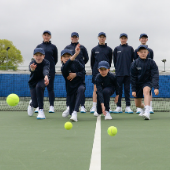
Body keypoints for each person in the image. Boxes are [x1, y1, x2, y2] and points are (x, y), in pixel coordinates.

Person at [62, 32, 89, 115]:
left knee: (81, 89)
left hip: (79, 71)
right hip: (69, 71)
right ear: (71, 38)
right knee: (70, 89)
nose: (74, 38)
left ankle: (82, 106)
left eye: (76, 37)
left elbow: (86, 58)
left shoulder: (82, 47)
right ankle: (69, 107)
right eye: (73, 37)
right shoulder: (67, 47)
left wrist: (80, 66)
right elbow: (66, 61)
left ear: (78, 38)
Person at [131, 45, 159, 120]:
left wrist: (156, 87)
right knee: (138, 104)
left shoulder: (152, 63)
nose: (143, 53)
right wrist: (133, 90)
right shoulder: (134, 63)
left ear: (147, 53)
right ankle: (143, 108)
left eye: (144, 52)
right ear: (138, 53)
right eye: (141, 52)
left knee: (146, 91)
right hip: (137, 84)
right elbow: (133, 77)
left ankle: (147, 112)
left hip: (147, 82)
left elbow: (155, 75)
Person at [61, 44, 85, 122]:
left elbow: (83, 72)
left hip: (79, 85)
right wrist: (75, 54)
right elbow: (67, 64)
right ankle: (70, 110)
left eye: (68, 56)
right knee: (70, 110)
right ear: (61, 59)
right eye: (64, 57)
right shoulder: (63, 68)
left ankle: (75, 113)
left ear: (71, 57)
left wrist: (76, 74)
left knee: (81, 89)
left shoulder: (77, 63)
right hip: (70, 90)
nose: (66, 58)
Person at [35, 30, 58, 113]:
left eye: (48, 35)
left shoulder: (53, 47)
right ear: (42, 36)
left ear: (50, 37)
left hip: (51, 71)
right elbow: (36, 58)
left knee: (50, 88)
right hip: (40, 71)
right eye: (45, 35)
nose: (46, 36)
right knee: (39, 88)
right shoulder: (38, 46)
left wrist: (49, 67)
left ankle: (51, 106)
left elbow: (55, 59)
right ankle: (39, 106)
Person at [90, 32, 113, 113]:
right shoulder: (94, 49)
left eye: (103, 37)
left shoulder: (109, 50)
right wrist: (95, 72)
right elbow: (92, 63)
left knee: (106, 91)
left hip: (106, 74)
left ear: (105, 38)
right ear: (98, 38)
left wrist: (106, 71)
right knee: (96, 90)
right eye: (100, 37)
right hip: (96, 73)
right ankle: (94, 106)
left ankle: (107, 107)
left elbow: (109, 62)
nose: (102, 38)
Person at [113, 33, 134, 114]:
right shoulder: (116, 49)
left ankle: (128, 107)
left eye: (125, 38)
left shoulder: (130, 48)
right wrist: (118, 69)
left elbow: (133, 60)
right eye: (122, 38)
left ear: (127, 39)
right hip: (119, 74)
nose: (123, 39)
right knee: (118, 91)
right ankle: (118, 107)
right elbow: (115, 61)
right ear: (120, 39)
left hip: (128, 73)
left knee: (127, 90)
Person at [134, 33, 154, 114]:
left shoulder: (151, 51)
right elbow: (136, 62)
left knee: (148, 91)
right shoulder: (136, 51)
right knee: (139, 91)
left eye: (145, 38)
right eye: (142, 38)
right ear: (139, 39)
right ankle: (140, 108)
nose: (143, 39)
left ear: (147, 40)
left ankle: (149, 107)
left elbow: (151, 62)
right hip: (139, 75)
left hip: (148, 75)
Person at [27, 48, 50, 119]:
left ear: (44, 56)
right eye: (36, 55)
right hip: (33, 82)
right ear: (34, 56)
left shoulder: (46, 62)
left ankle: (41, 111)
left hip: (42, 80)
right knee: (35, 104)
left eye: (40, 55)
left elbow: (45, 69)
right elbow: (31, 69)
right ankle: (32, 104)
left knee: (39, 87)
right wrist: (32, 69)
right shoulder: (32, 63)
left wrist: (46, 76)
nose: (38, 57)